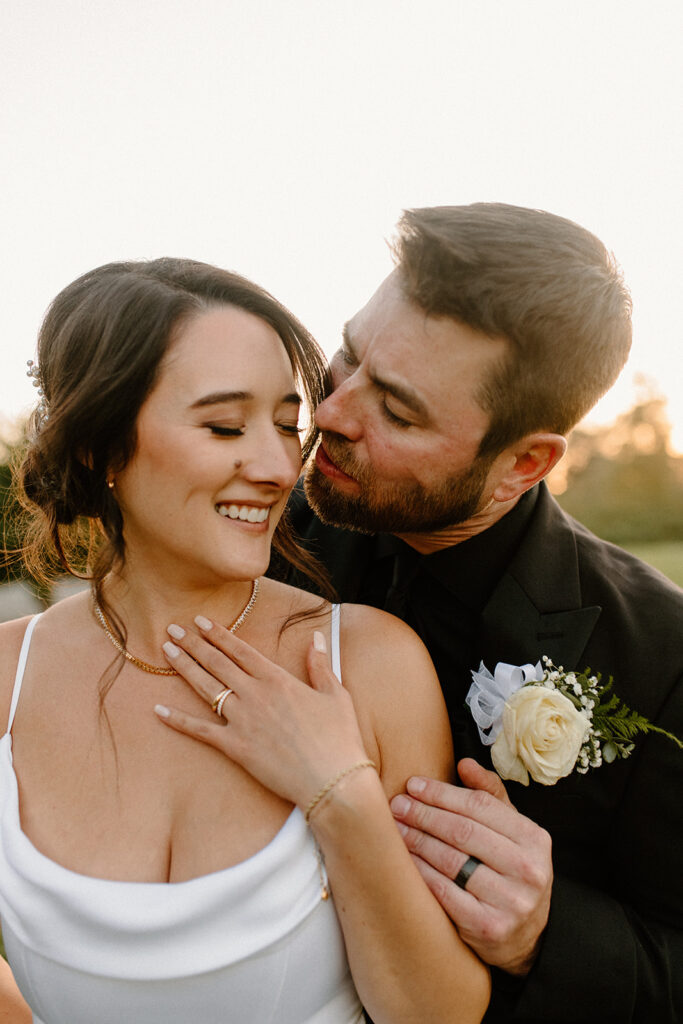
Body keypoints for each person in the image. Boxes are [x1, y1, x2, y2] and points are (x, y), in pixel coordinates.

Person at [0, 259, 491, 1023]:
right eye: (225, 426)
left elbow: (440, 1014)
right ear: (99, 446)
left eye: (286, 425)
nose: (273, 467)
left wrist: (342, 797)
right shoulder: (8, 679)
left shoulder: (368, 663)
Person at [255, 204, 681, 1023]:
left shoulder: (661, 657)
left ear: (524, 461)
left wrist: (543, 932)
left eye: (398, 411)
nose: (334, 414)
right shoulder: (257, 533)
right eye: (346, 356)